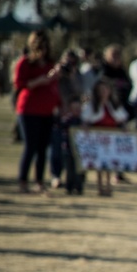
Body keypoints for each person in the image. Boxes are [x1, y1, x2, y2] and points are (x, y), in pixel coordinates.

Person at [13, 30, 60, 194]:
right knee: (30, 146)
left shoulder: (51, 64)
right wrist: (38, 81)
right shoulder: (25, 63)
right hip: (28, 110)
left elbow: (55, 87)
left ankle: (39, 181)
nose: (43, 51)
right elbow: (19, 84)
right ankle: (23, 180)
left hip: (47, 111)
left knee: (43, 148)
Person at [81, 78, 129, 196]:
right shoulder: (92, 105)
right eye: (101, 90)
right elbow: (86, 119)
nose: (103, 92)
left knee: (109, 163)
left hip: (111, 137)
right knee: (99, 163)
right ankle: (100, 187)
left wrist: (123, 127)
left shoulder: (114, 104)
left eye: (105, 89)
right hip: (97, 137)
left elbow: (121, 118)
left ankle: (108, 186)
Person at [50, 48, 83, 189]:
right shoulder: (54, 73)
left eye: (72, 61)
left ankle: (73, 179)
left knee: (71, 152)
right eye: (66, 61)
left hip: (72, 118)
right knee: (56, 149)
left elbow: (79, 92)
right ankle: (56, 176)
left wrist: (72, 76)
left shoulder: (76, 75)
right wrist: (55, 74)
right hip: (56, 116)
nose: (69, 64)